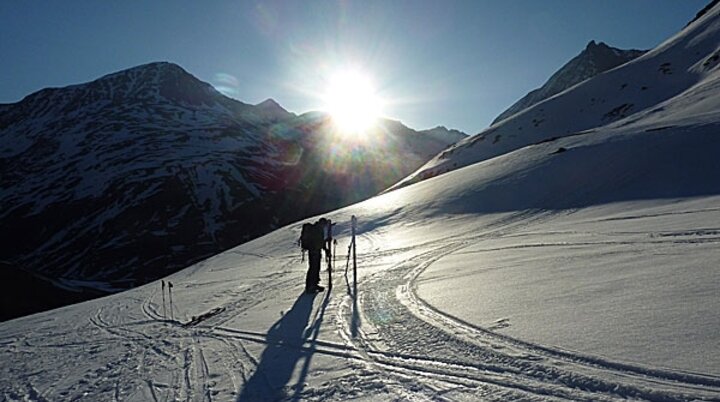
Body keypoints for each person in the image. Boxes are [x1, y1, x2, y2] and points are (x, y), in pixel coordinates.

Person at [305, 218, 329, 293]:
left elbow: (321, 241)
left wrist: (325, 248)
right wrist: (325, 248)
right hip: (314, 251)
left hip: (315, 251)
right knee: (313, 268)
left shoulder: (317, 228)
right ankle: (310, 286)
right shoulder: (317, 229)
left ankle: (314, 284)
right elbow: (320, 241)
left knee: (315, 267)